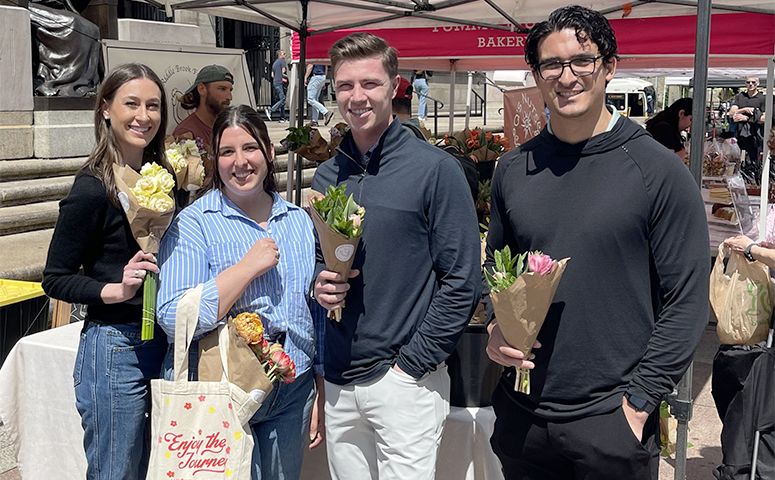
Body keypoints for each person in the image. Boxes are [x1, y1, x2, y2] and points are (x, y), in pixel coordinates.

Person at [484, 6, 710, 479]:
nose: (566, 76)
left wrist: (638, 406)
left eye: (581, 61)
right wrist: (493, 329)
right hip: (522, 415)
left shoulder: (658, 171)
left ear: (609, 66)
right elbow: (498, 271)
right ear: (536, 74)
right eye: (551, 64)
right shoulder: (513, 169)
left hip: (611, 422)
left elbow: (686, 300)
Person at [311, 32, 481, 480]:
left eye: (369, 83)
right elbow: (318, 257)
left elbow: (462, 279)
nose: (356, 96)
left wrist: (411, 366)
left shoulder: (435, 170)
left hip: (404, 381)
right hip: (342, 378)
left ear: (394, 86)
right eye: (345, 86)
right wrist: (319, 281)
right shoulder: (329, 174)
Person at [157, 105, 325, 480]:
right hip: (223, 387)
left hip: (292, 390)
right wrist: (246, 269)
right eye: (227, 152)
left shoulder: (298, 220)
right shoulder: (195, 223)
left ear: (268, 151)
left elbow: (311, 312)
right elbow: (171, 317)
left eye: (249, 148)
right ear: (215, 160)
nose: (240, 162)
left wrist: (319, 387)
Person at [42, 63, 172, 480]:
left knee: (158, 467)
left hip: (165, 342)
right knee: (116, 473)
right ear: (105, 110)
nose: (144, 116)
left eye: (153, 106)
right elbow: (56, 277)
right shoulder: (91, 188)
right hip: (116, 347)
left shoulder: (166, 180)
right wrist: (114, 290)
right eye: (131, 104)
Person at [173, 64, 234, 155]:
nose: (229, 97)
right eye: (222, 89)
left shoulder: (230, 127)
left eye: (230, 90)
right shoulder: (186, 133)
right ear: (202, 89)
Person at [728, 77, 766, 180]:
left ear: (757, 83)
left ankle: (754, 182)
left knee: (754, 162)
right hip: (740, 134)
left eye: (753, 82)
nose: (751, 84)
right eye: (748, 82)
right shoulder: (741, 97)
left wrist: (746, 118)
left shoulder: (762, 98)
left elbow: (765, 117)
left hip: (756, 135)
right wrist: (744, 109)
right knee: (736, 161)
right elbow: (731, 113)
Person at [265, 50, 288, 123]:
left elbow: (272, 75)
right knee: (283, 99)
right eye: (284, 54)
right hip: (280, 82)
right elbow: (283, 71)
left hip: (275, 82)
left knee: (281, 100)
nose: (285, 55)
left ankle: (282, 117)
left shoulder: (274, 63)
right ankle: (271, 110)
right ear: (280, 55)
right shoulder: (282, 61)